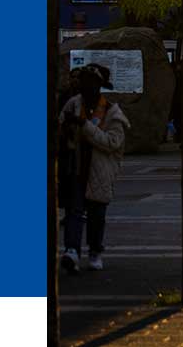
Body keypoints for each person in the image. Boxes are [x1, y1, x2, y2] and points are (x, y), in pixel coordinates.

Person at [59, 64, 129, 273]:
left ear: (100, 86)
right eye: (84, 82)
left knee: (97, 215)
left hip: (99, 171)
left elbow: (112, 142)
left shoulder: (111, 113)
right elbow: (59, 129)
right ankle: (71, 250)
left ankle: (95, 251)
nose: (86, 87)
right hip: (76, 168)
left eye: (92, 83)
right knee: (74, 211)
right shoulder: (72, 105)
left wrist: (84, 126)